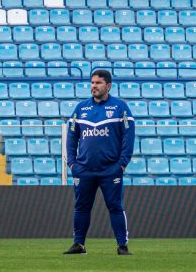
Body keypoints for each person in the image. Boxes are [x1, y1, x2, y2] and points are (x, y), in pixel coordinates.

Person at [63, 69, 135, 256]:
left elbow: (129, 136)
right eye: (92, 82)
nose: (94, 86)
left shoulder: (120, 108)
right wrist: (72, 163)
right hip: (84, 169)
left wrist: (122, 163)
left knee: (115, 206)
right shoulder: (80, 108)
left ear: (108, 86)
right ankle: (79, 244)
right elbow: (71, 137)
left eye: (98, 83)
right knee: (81, 207)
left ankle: (122, 246)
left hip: (111, 169)